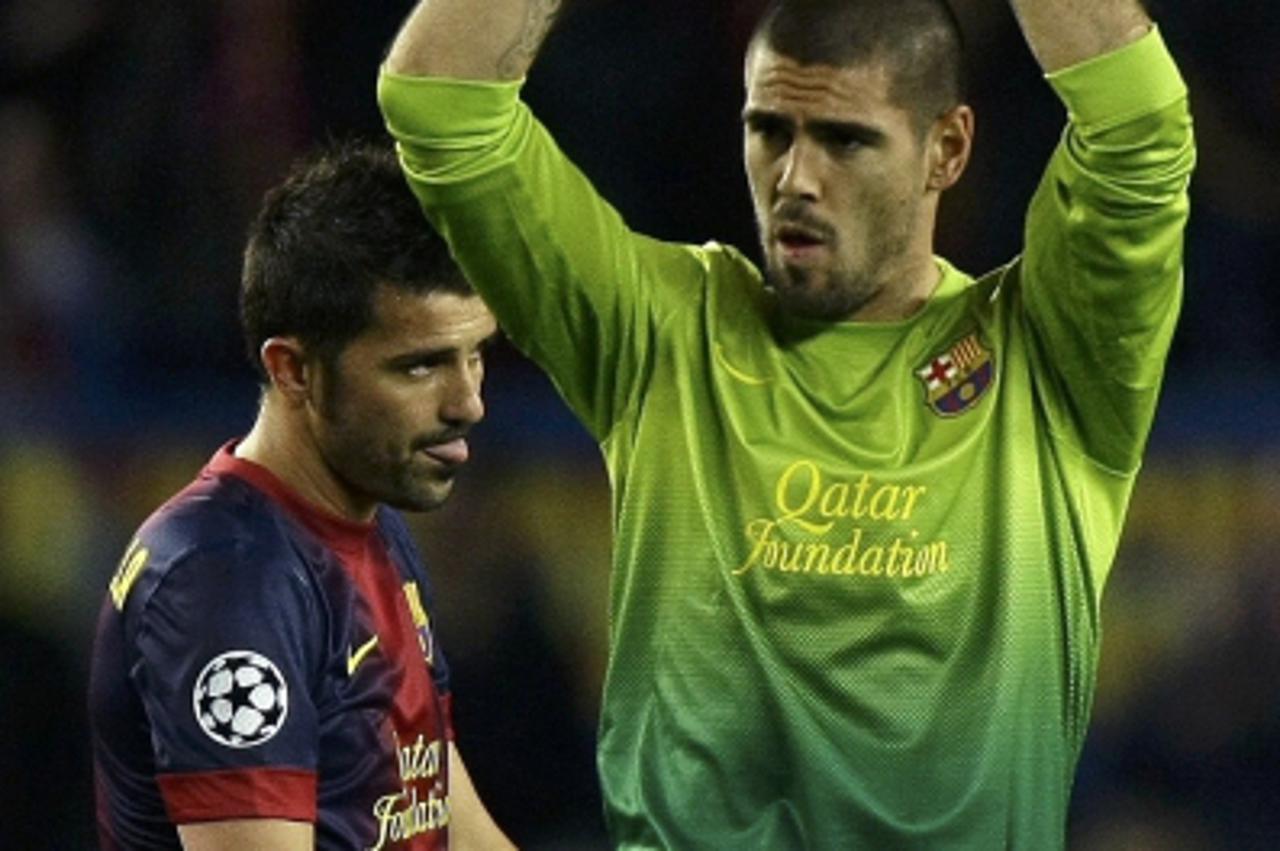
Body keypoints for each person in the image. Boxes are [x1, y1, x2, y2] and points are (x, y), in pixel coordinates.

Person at [378, 0, 1194, 845]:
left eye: (845, 140)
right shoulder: (662, 334)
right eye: (769, 130)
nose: (795, 179)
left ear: (945, 149)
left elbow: (1140, 128)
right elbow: (440, 95)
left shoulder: (1050, 362)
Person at [88, 142, 514, 850]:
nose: (468, 402)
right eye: (420, 366)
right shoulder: (223, 580)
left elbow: (454, 828)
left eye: (476, 354)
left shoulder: (370, 525)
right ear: (293, 371)